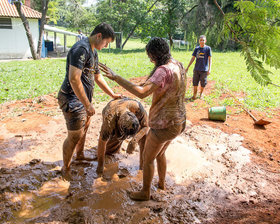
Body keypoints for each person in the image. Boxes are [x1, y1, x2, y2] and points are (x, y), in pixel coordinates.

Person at [99, 37, 187, 201]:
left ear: (155, 55)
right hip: (179, 121)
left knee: (147, 159)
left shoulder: (163, 70)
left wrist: (116, 78)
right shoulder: (177, 64)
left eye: (150, 56)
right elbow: (154, 85)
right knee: (160, 154)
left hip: (164, 124)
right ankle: (161, 184)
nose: (150, 60)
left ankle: (145, 192)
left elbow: (142, 92)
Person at [57, 23, 121, 177]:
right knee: (75, 135)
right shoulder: (81, 49)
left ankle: (79, 156)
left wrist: (112, 94)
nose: (106, 46)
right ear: (99, 36)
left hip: (82, 99)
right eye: (106, 42)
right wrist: (87, 104)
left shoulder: (93, 51)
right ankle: (65, 168)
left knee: (84, 127)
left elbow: (97, 76)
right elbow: (74, 79)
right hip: (72, 98)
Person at [97, 98, 149, 174]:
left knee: (144, 136)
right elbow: (102, 142)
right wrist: (100, 166)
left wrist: (134, 140)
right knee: (110, 151)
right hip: (111, 108)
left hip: (125, 106)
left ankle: (142, 166)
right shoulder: (109, 122)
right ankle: (116, 142)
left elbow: (146, 126)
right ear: (118, 125)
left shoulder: (138, 109)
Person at [185, 35, 212, 100]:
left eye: (203, 40)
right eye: (201, 40)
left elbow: (210, 59)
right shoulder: (197, 49)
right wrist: (188, 67)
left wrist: (209, 69)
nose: (202, 41)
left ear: (205, 41)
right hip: (196, 69)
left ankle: (201, 94)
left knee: (203, 83)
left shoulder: (208, 48)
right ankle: (194, 95)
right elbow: (193, 58)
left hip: (204, 69)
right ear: (199, 41)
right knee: (195, 82)